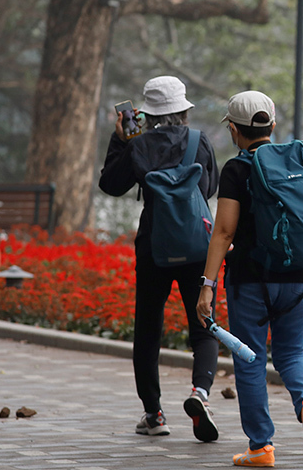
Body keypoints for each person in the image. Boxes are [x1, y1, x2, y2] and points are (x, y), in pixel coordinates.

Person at [196, 91, 303, 468]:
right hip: (301, 277)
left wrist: (207, 284)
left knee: (251, 361)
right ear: (271, 125)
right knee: (292, 352)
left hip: (251, 280)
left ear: (235, 130)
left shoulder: (237, 169)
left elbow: (223, 232)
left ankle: (261, 447)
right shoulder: (299, 161)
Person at [98, 76, 220, 441]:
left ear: (146, 114)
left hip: (154, 246)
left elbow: (110, 185)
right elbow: (210, 188)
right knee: (203, 324)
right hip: (198, 246)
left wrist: (119, 139)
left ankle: (154, 414)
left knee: (149, 328)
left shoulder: (138, 146)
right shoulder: (200, 142)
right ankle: (200, 392)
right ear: (183, 110)